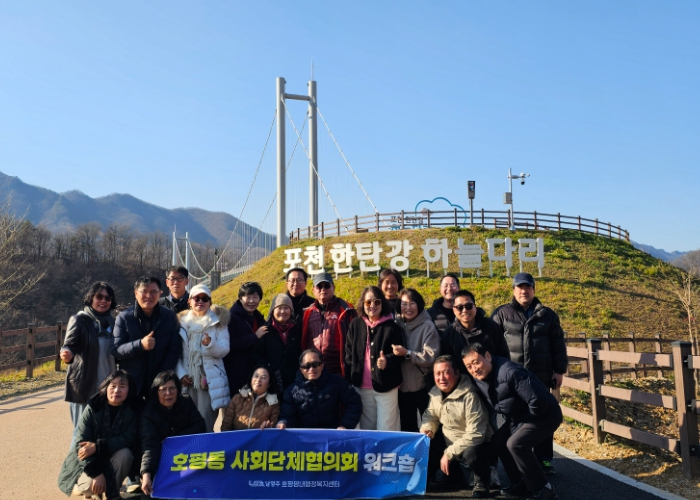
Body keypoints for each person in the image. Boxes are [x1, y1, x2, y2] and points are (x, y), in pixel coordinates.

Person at [462, 343, 562, 500]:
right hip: (520, 417)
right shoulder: (479, 378)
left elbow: (538, 401)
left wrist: (521, 426)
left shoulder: (510, 372)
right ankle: (522, 482)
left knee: (516, 443)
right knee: (499, 441)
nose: (474, 369)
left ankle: (544, 489)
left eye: (476, 362)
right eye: (469, 366)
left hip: (545, 414)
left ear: (487, 356)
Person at [491, 272, 568, 474]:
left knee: (542, 414)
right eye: (520, 287)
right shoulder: (502, 313)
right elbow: (492, 343)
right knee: (513, 416)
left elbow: (558, 345)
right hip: (512, 378)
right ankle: (516, 458)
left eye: (528, 287)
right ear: (514, 290)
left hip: (540, 376)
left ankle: (544, 459)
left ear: (534, 289)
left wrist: (559, 371)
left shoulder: (547, 315)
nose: (524, 291)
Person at [58, 370, 138, 500]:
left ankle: (110, 491)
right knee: (88, 487)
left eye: (122, 386)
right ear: (106, 387)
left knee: (126, 454)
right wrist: (96, 474)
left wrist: (97, 446)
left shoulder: (133, 410)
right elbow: (81, 444)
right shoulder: (93, 407)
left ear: (129, 389)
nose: (116, 390)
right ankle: (91, 489)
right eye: (113, 386)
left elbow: (128, 438)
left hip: (113, 456)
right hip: (89, 461)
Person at [419, 355, 493, 498]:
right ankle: (453, 477)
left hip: (477, 444)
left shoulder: (470, 395)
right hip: (451, 441)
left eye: (446, 372)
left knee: (472, 453)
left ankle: (482, 480)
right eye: (437, 373)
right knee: (426, 441)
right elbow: (430, 416)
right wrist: (428, 429)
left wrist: (449, 453)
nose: (441, 378)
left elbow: (476, 434)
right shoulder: (436, 392)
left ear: (457, 373)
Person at [61, 282, 117, 439]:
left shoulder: (114, 323)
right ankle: (74, 457)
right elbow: (69, 344)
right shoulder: (80, 320)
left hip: (108, 387)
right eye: (99, 296)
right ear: (90, 298)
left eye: (108, 298)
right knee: (82, 433)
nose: (103, 301)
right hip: (85, 386)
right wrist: (67, 353)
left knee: (104, 431)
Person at [112, 276, 181, 401]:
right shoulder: (124, 318)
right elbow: (116, 350)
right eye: (144, 291)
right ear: (135, 293)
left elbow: (174, 350)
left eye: (154, 291)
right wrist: (140, 345)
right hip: (131, 382)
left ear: (160, 293)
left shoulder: (169, 317)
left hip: (160, 384)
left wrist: (162, 377)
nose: (149, 296)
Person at [139, 371, 207, 497]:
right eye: (163, 389)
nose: (168, 393)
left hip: (187, 454)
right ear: (156, 392)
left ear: (178, 389)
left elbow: (200, 426)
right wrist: (147, 473)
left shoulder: (186, 402)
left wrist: (174, 440)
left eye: (172, 388)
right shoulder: (148, 413)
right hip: (160, 458)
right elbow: (150, 444)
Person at [345, 286, 404, 431]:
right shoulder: (355, 324)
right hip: (361, 386)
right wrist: (351, 377)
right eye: (368, 302)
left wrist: (387, 361)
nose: (372, 305)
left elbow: (400, 356)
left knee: (386, 428)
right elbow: (349, 354)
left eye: (377, 302)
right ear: (362, 304)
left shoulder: (393, 327)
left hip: (386, 386)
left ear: (382, 303)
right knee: (368, 428)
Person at [175, 284, 231, 432]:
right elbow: (175, 353)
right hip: (188, 380)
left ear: (210, 302)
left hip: (209, 379)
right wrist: (181, 374)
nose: (200, 301)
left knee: (206, 420)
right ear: (189, 301)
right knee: (187, 419)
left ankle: (207, 445)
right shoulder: (181, 323)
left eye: (205, 298)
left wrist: (210, 344)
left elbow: (224, 350)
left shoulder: (218, 322)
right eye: (196, 298)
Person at [392, 288, 440, 432]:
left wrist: (408, 353)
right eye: (404, 304)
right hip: (402, 387)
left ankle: (433, 448)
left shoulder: (428, 326)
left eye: (412, 303)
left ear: (419, 305)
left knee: (430, 426)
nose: (408, 307)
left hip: (423, 385)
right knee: (407, 427)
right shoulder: (395, 324)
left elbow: (431, 356)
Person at [277, 349, 362, 430]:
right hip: (304, 436)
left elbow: (354, 402)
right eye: (307, 366)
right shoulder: (291, 391)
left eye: (315, 364)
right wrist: (284, 423)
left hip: (333, 434)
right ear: (301, 369)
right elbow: (287, 415)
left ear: (322, 366)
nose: (311, 369)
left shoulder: (337, 382)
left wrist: (346, 425)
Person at [440, 290, 510, 374]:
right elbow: (448, 364)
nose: (465, 310)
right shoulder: (449, 333)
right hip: (463, 380)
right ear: (454, 310)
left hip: (494, 377)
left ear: (475, 307)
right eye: (459, 307)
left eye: (468, 306)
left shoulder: (491, 326)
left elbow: (503, 356)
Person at [301, 272, 357, 376]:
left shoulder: (346, 311)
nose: (323, 289)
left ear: (333, 288)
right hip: (313, 371)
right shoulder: (307, 313)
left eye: (327, 286)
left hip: (337, 372)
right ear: (313, 290)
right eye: (319, 286)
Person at [252, 294, 302, 392]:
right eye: (279, 308)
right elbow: (256, 356)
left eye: (286, 308)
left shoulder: (297, 330)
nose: (283, 311)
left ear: (291, 311)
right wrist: (269, 369)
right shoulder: (264, 330)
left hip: (294, 383)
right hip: (272, 384)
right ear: (273, 310)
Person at [223, 281, 266, 395]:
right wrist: (254, 337)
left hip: (254, 372)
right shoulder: (231, 318)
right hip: (236, 374)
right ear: (241, 298)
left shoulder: (258, 317)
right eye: (248, 297)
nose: (251, 301)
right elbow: (229, 344)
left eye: (255, 297)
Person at [221, 364, 280, 431]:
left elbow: (274, 430)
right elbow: (226, 426)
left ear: (269, 384)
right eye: (256, 376)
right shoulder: (237, 398)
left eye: (263, 377)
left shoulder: (273, 404)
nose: (258, 380)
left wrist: (268, 428)